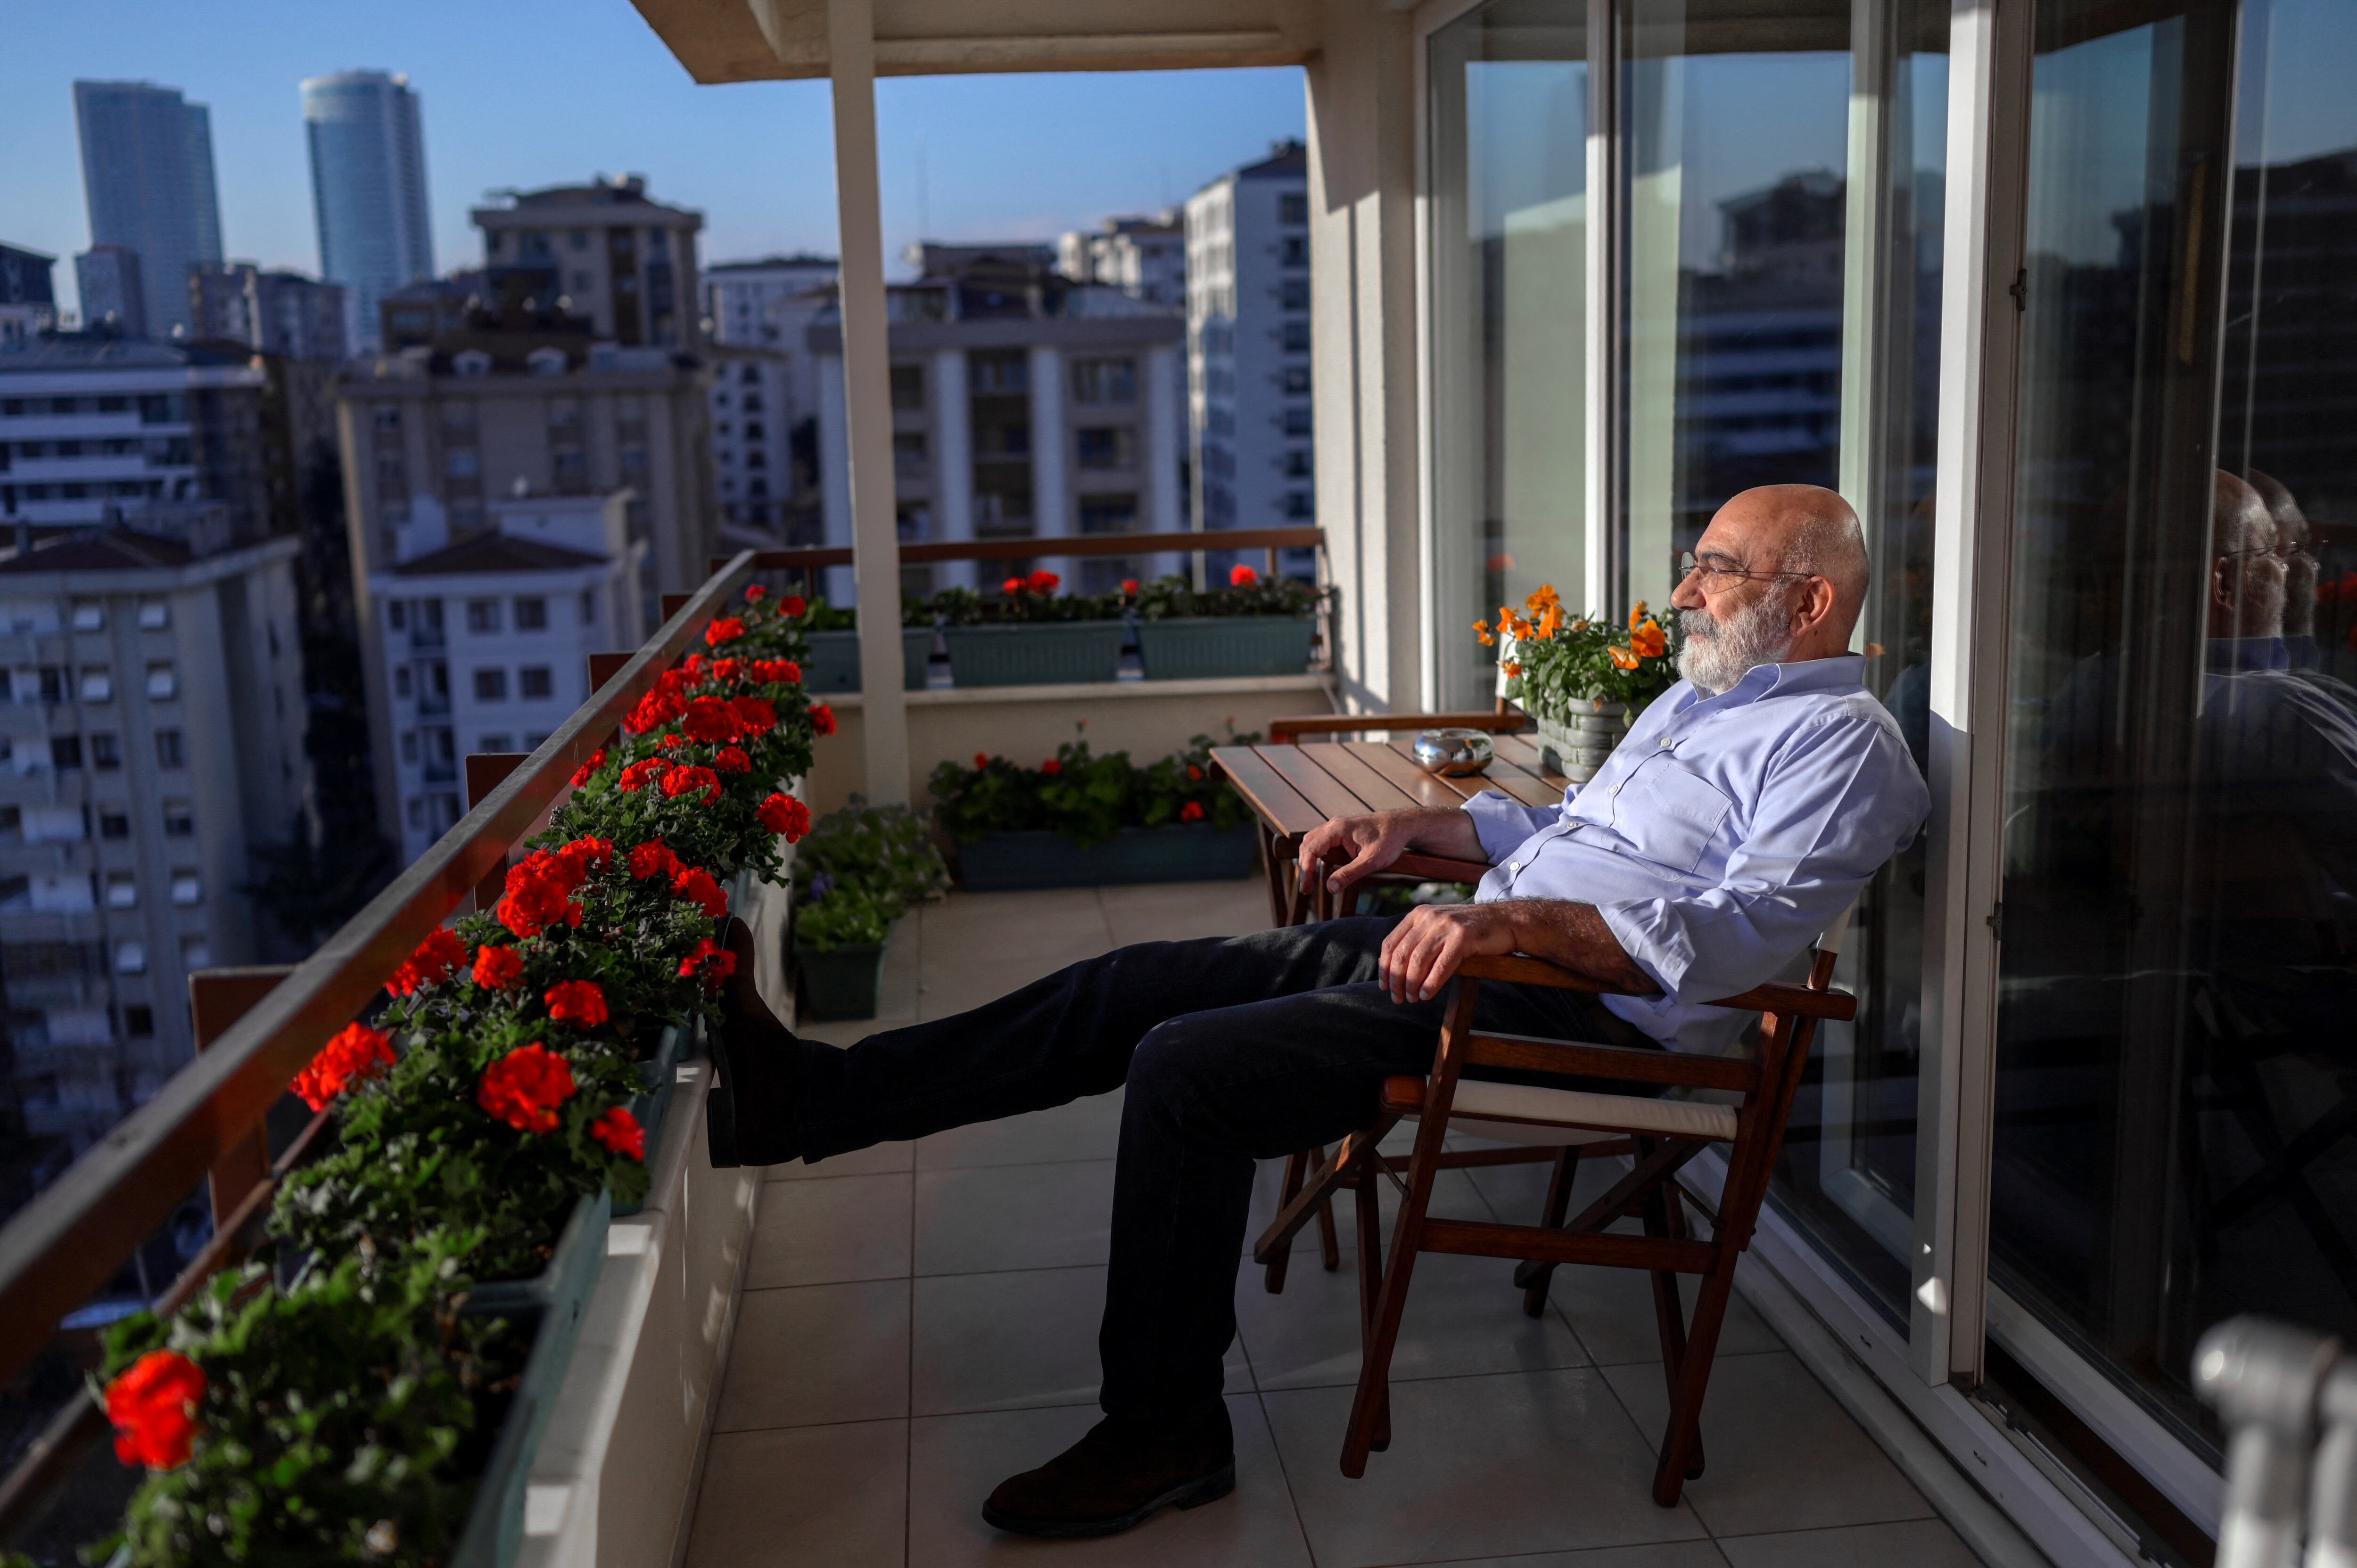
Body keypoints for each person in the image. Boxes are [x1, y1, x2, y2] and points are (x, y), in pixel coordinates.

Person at [707, 483, 1930, 1537]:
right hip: (1488, 958)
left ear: (1810, 601)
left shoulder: (1844, 748)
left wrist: (1505, 924)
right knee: (1130, 982)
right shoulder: (1694, 705)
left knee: (1188, 1070)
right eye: (1697, 562)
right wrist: (1426, 834)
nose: (1684, 590)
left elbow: (1731, 941)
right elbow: (1571, 835)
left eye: (1716, 567)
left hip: (1589, 1019)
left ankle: (1165, 1429)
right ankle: (805, 1101)